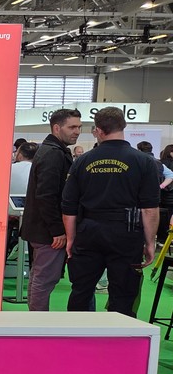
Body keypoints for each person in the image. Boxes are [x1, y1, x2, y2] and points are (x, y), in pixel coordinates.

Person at [62, 107, 160, 317]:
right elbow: (150, 209)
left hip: (88, 231)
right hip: (126, 233)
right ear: (124, 126)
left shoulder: (82, 161)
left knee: (81, 290)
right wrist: (150, 242)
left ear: (98, 130)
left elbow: (69, 207)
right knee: (124, 294)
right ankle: (120, 335)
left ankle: (75, 334)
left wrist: (71, 239)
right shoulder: (144, 162)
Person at [21, 109, 80, 312]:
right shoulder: (53, 154)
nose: (77, 131)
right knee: (44, 279)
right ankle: (38, 324)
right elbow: (46, 195)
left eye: (79, 127)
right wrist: (57, 230)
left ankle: (35, 321)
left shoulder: (51, 151)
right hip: (48, 232)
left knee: (40, 277)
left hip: (42, 229)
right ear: (56, 128)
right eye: (72, 127)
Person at [7, 142, 38, 255]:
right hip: (31, 215)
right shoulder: (38, 170)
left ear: (20, 155)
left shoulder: (9, 169)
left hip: (9, 213)